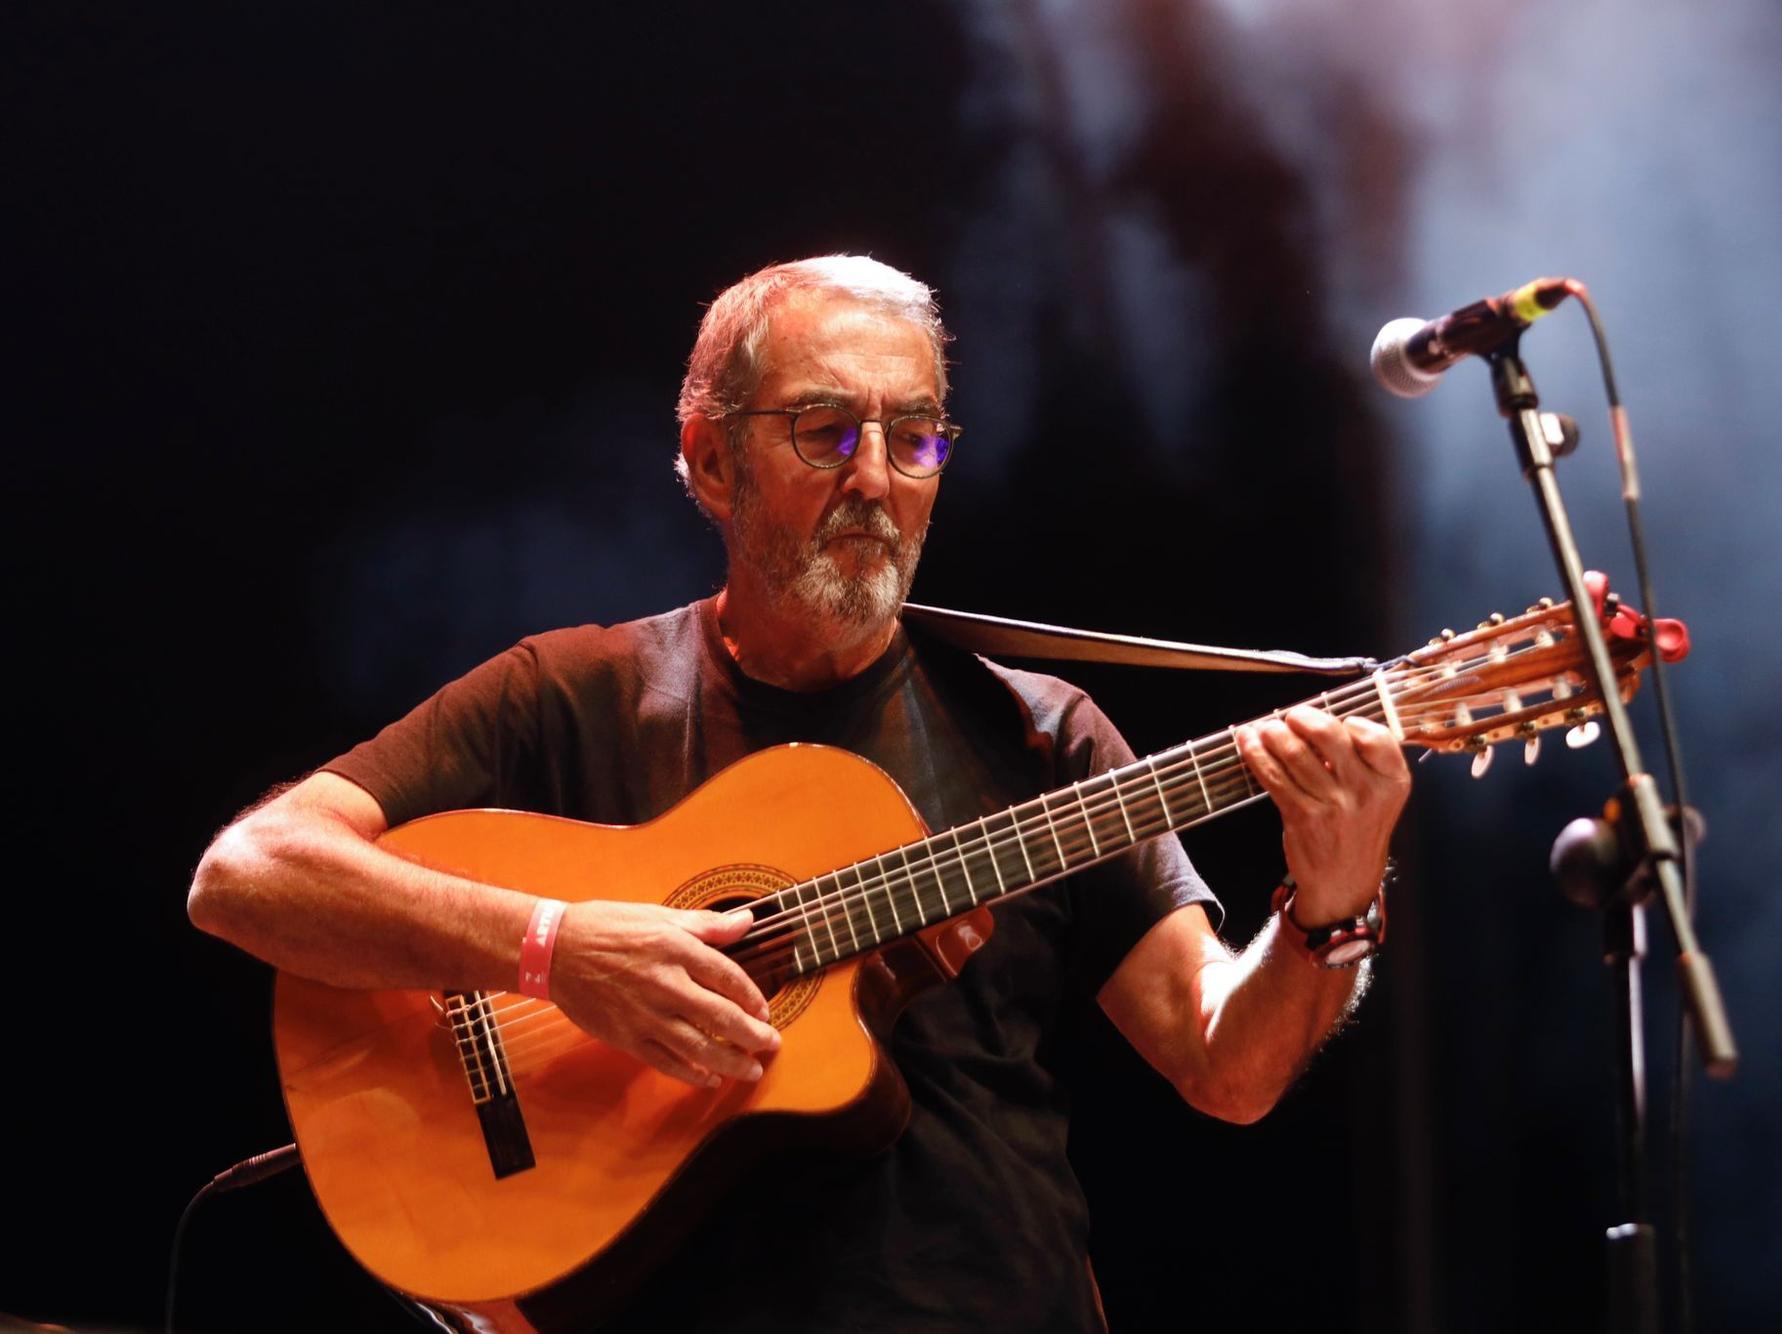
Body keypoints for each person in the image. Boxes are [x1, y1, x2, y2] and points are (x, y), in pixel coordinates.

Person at [187, 255, 1410, 1331]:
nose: (874, 477)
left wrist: (1331, 903)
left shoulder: (1040, 733)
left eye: (914, 434)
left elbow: (1227, 1068)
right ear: (710, 459)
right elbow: (248, 876)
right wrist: (555, 949)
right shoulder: (571, 695)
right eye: (823, 431)